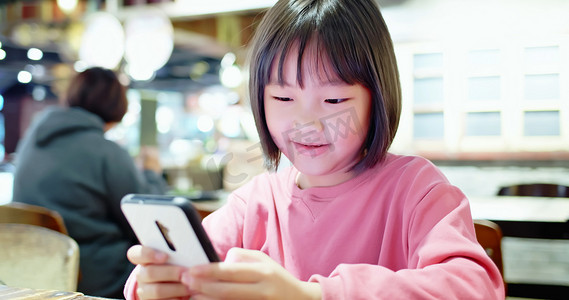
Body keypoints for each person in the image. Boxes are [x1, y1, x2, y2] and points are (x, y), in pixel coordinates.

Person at [124, 0, 505, 299]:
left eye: (335, 100)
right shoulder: (256, 202)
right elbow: (159, 277)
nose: (306, 124)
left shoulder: (415, 189)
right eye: (284, 97)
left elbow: (476, 288)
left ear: (377, 97)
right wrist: (151, 283)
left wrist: (314, 294)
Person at [12, 67, 168, 298]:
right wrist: (153, 173)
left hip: (28, 268)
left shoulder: (31, 141)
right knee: (163, 264)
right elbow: (146, 218)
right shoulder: (107, 152)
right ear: (117, 105)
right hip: (93, 277)